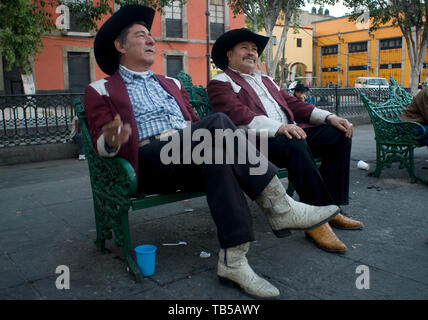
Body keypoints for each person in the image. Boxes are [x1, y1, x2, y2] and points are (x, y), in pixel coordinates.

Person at [84, 5, 340, 299]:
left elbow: (194, 123)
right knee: (219, 124)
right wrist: (112, 139)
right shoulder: (101, 89)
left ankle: (234, 259)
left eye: (151, 36)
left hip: (189, 152)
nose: (152, 41)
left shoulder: (172, 83)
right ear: (120, 45)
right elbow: (100, 145)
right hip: (149, 159)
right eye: (142, 36)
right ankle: (280, 207)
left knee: (217, 156)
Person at [207, 28, 364, 254]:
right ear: (229, 55)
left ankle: (333, 208)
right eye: (244, 48)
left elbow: (295, 105)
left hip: (289, 133)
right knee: (293, 141)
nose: (251, 53)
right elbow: (236, 114)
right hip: (256, 142)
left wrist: (329, 117)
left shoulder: (267, 81)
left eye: (254, 50)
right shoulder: (221, 82)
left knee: (338, 133)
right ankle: (316, 221)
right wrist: (279, 128)